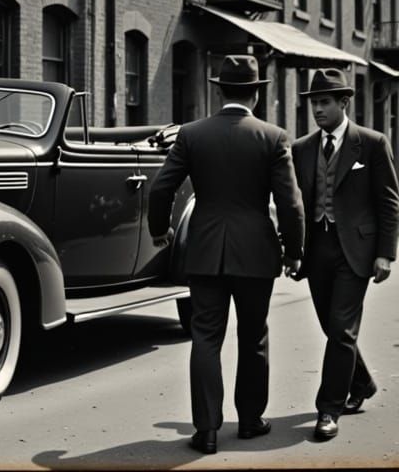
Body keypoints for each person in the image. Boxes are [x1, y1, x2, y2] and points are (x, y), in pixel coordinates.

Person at [148, 54, 304, 455]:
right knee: (254, 338)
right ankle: (250, 422)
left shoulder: (192, 134)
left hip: (204, 251)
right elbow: (291, 204)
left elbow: (161, 188)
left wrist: (159, 229)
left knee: (205, 338)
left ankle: (207, 431)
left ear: (219, 91)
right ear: (255, 93)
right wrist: (294, 250)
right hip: (255, 252)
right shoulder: (273, 137)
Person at [291, 68, 399, 441]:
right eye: (313, 103)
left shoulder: (371, 143)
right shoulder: (302, 148)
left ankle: (328, 410)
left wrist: (386, 253)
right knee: (332, 327)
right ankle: (363, 381)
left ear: (343, 103)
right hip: (316, 248)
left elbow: (389, 203)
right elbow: (298, 204)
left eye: (324, 103)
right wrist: (293, 250)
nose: (317, 109)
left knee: (340, 329)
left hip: (356, 250)